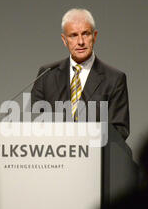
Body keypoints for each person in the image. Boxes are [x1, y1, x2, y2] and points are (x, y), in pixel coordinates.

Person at [31, 8, 130, 140]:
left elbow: (120, 129)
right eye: (73, 35)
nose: (81, 41)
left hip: (95, 156)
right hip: (53, 155)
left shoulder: (114, 79)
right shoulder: (46, 75)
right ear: (64, 40)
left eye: (86, 34)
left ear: (94, 36)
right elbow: (33, 122)